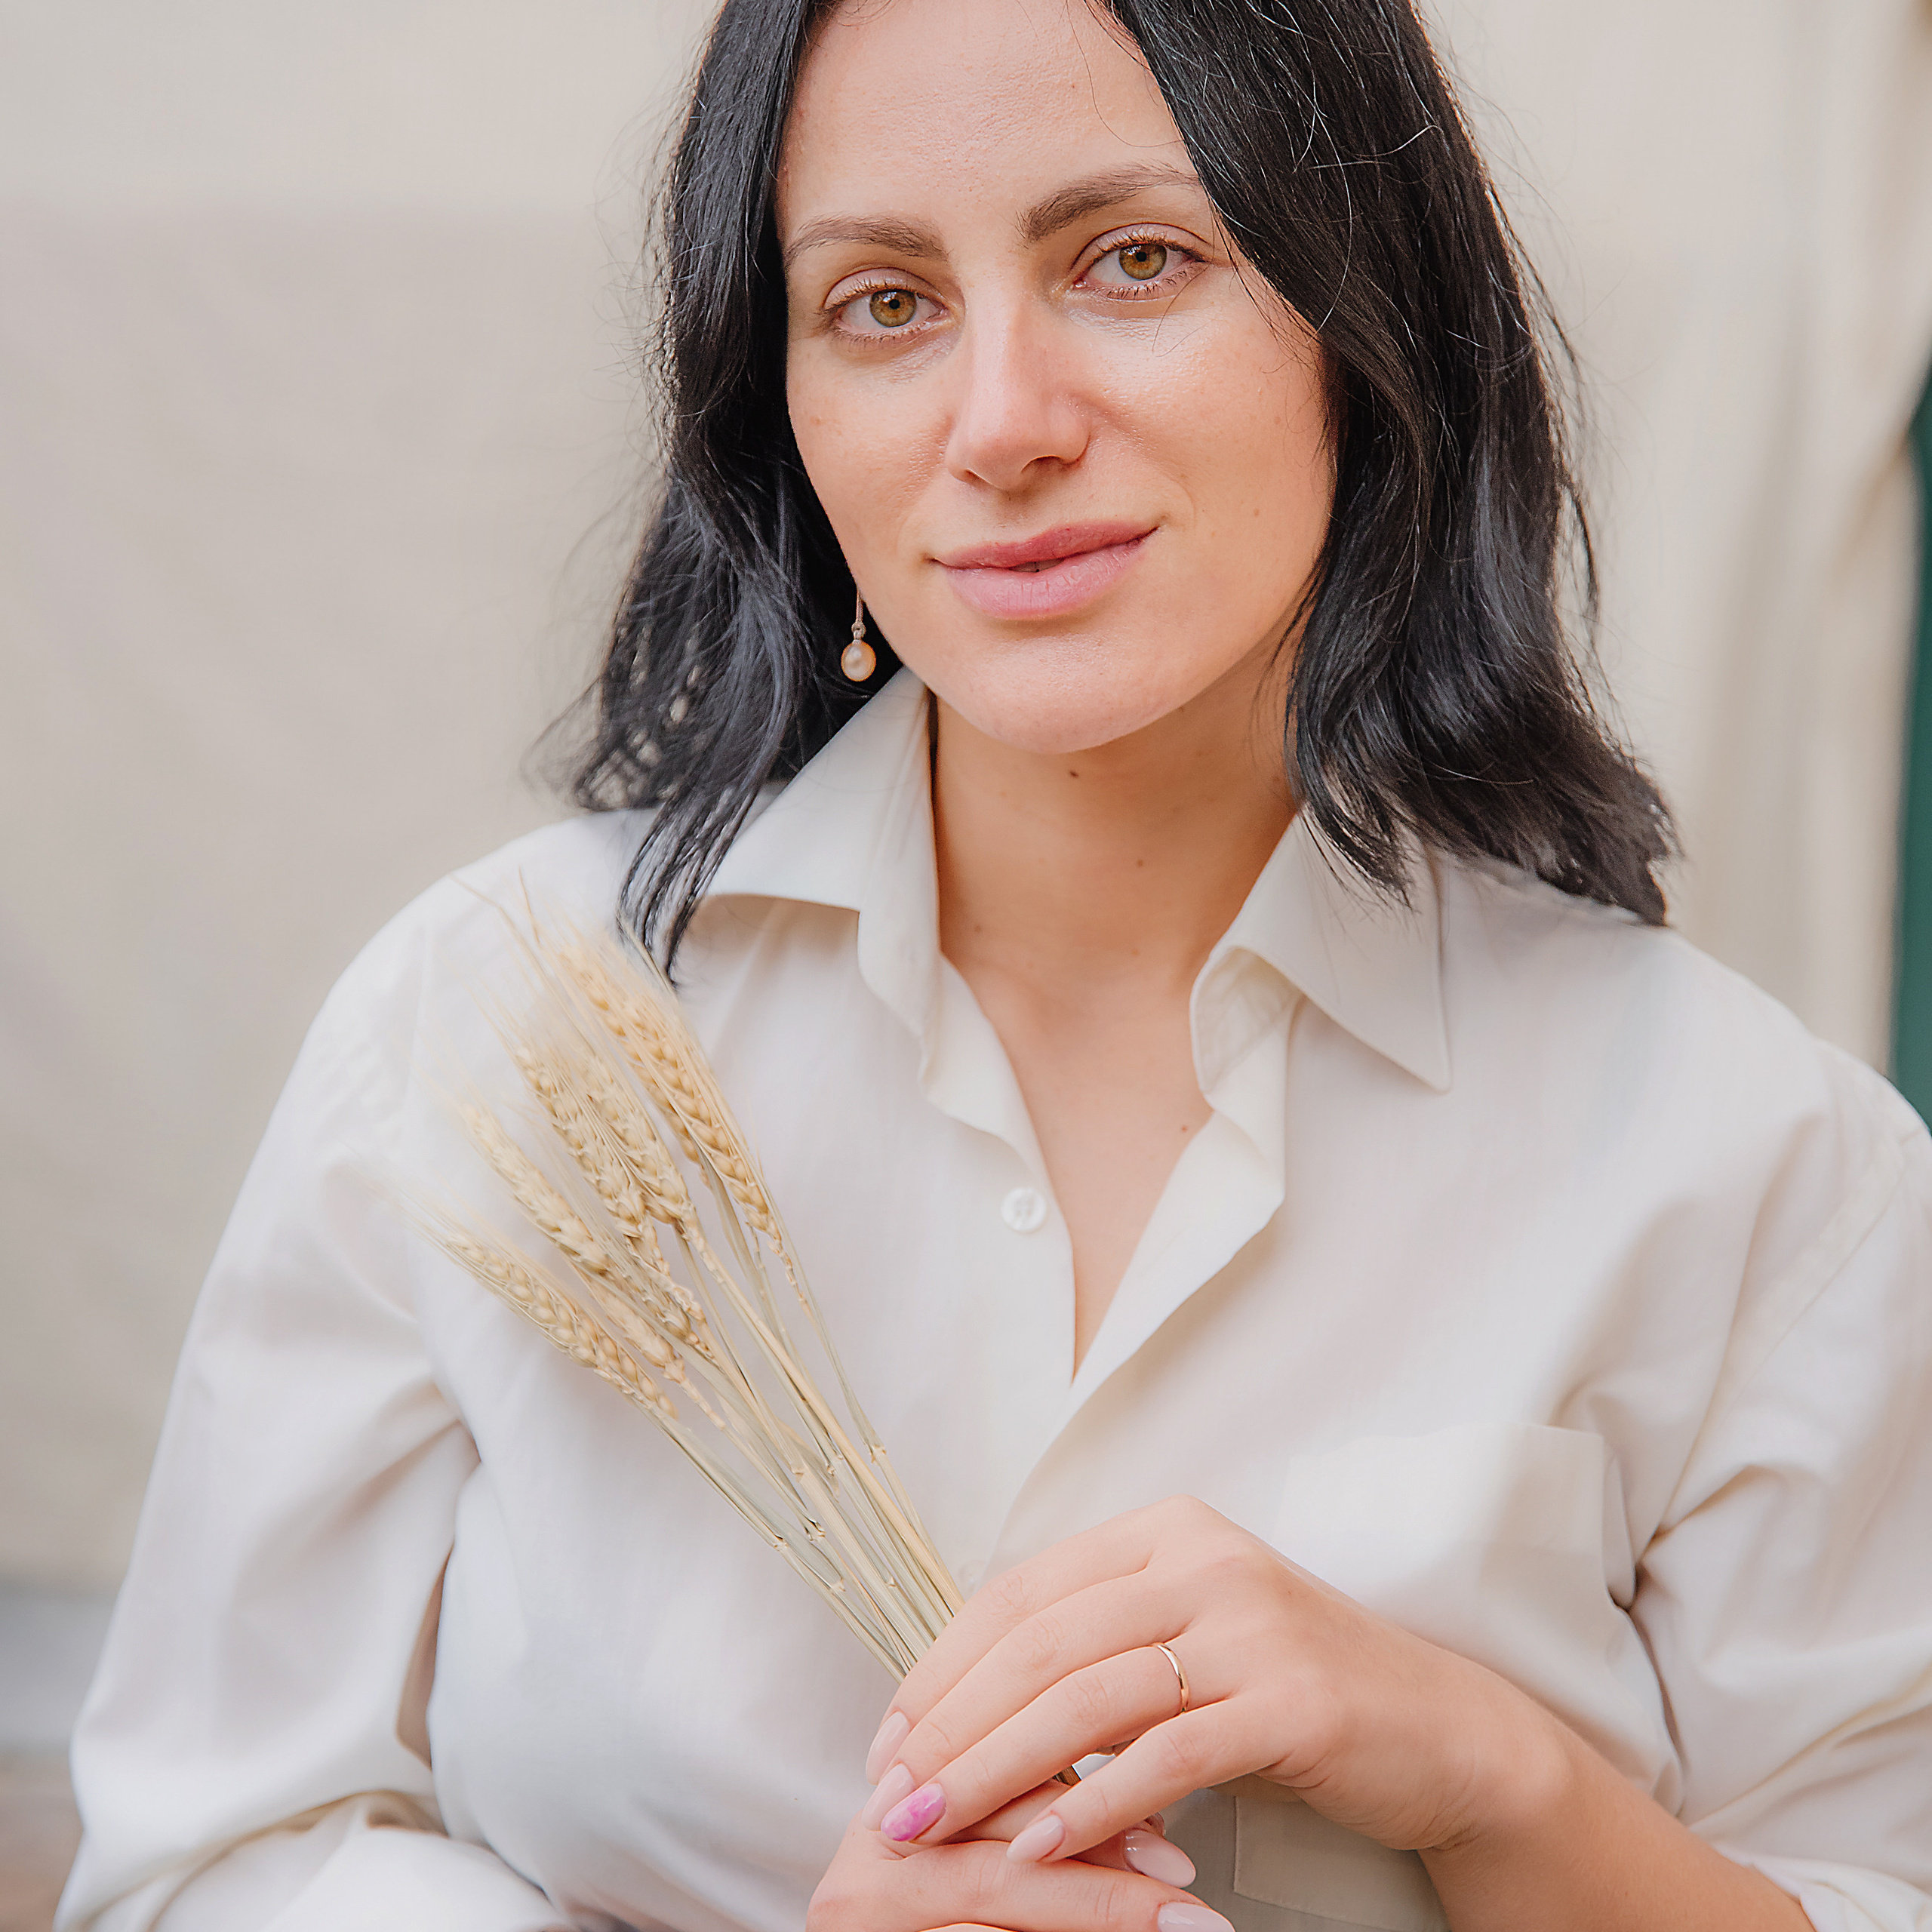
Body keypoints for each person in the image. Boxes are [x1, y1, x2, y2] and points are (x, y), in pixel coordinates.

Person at [57, 0, 1932, 1927]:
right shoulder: (492, 1025)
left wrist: (1486, 1770)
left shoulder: (1759, 1166)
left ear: (1368, 317)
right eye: (881, 304)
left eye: (1134, 260)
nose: (1001, 421)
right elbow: (203, 1864)